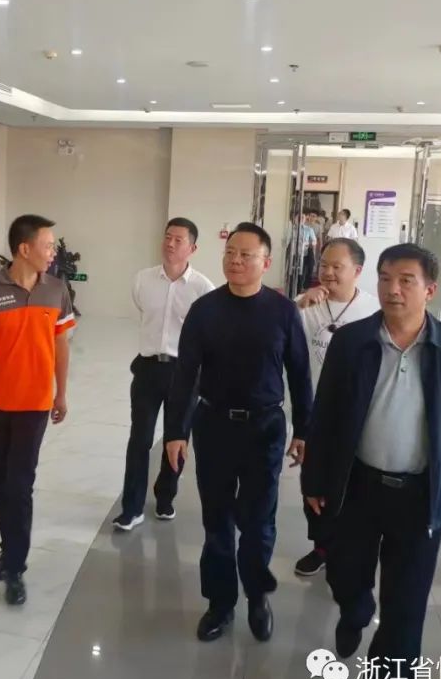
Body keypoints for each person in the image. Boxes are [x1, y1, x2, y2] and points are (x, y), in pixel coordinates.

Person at [302, 244, 441, 679]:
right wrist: (314, 480)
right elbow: (326, 415)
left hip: (420, 496)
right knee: (345, 575)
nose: (393, 289)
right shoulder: (352, 341)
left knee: (405, 609)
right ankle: (355, 608)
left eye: (406, 280)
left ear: (430, 289)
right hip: (358, 486)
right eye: (385, 278)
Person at [163, 223, 312, 644]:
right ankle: (220, 603)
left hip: (265, 428)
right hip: (213, 426)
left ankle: (257, 597)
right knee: (217, 521)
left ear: (266, 262)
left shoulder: (283, 311)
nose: (236, 261)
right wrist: (176, 431)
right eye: (230, 253)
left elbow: (300, 373)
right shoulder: (205, 310)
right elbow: (185, 374)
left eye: (247, 255)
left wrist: (304, 429)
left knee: (259, 521)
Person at [0, 214, 76, 606]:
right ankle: (8, 548)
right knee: (1, 484)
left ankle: (15, 567)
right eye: (48, 245)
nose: (53, 252)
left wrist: (61, 393)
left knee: (19, 484)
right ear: (24, 249)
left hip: (35, 404)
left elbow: (61, 345)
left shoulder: (56, 290)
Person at [112, 218, 216, 531]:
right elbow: (143, 312)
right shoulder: (142, 280)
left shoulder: (203, 289)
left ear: (192, 248)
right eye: (167, 237)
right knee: (139, 438)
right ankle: (132, 507)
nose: (170, 244)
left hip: (184, 372)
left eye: (178, 240)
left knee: (177, 438)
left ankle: (165, 496)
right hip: (147, 369)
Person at [291, 238, 381, 577]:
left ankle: (351, 548)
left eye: (336, 266)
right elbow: (280, 338)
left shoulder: (373, 311)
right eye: (323, 265)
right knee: (313, 483)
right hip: (315, 412)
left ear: (357, 271)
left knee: (354, 484)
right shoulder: (305, 305)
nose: (327, 272)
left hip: (360, 414)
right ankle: (322, 546)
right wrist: (299, 304)